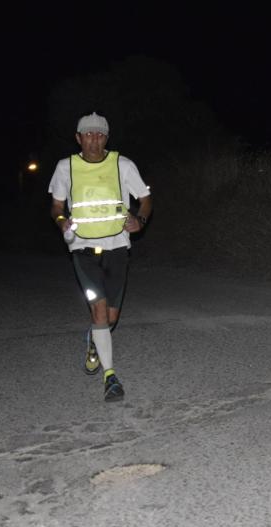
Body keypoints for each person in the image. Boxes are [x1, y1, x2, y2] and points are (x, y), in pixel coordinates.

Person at [48, 112, 153, 402]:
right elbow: (56, 205)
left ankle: (95, 340)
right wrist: (61, 221)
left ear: (107, 138)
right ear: (78, 138)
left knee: (111, 317)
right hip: (82, 249)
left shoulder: (123, 165)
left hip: (117, 247)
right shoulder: (65, 167)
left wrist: (140, 220)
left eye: (100, 134)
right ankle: (111, 378)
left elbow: (145, 199)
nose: (94, 139)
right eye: (88, 134)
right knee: (99, 313)